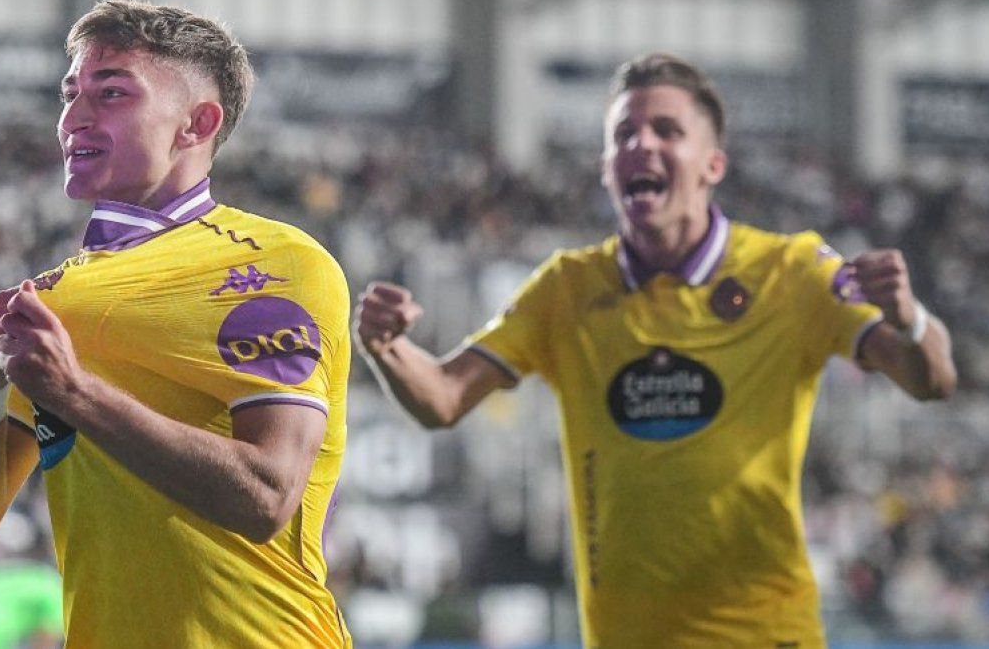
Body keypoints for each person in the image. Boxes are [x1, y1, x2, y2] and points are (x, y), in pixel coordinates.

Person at [354, 53, 956, 647]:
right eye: (624, 134)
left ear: (713, 163)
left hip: (767, 637)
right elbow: (444, 397)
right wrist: (388, 348)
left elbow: (932, 378)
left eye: (667, 130)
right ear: (606, 168)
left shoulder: (790, 272)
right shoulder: (566, 289)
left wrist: (909, 320)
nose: (641, 143)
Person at [0, 0, 352, 648]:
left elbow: (266, 496)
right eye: (70, 93)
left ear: (196, 123)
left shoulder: (276, 261)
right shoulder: (56, 297)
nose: (73, 117)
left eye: (112, 93)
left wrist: (76, 393)